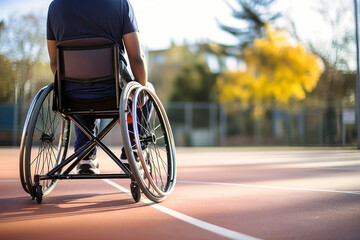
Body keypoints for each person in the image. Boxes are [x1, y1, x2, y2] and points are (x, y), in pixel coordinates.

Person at [46, 0, 148, 174]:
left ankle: (85, 154)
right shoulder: (120, 4)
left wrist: (72, 84)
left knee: (78, 89)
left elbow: (55, 62)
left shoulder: (55, 6)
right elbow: (136, 58)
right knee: (145, 89)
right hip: (114, 91)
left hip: (73, 93)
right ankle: (133, 149)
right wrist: (141, 94)